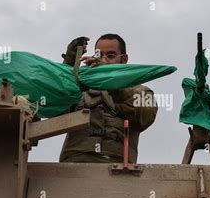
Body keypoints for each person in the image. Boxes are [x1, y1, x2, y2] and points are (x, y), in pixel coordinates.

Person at [59, 33, 158, 163]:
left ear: (124, 60)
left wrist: (113, 84)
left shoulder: (140, 91)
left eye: (110, 56)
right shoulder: (80, 88)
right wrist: (69, 64)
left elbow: (146, 116)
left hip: (117, 168)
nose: (104, 60)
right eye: (99, 55)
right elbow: (56, 105)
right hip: (73, 164)